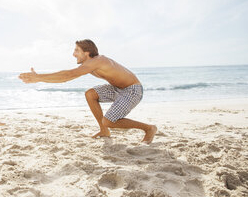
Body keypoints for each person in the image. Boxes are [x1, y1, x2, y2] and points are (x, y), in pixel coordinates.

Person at [19, 39, 157, 144]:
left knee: (109, 121)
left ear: (87, 52)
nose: (73, 54)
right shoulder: (90, 64)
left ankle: (148, 128)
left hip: (132, 90)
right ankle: (104, 130)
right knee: (91, 94)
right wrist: (39, 79)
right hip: (118, 89)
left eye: (76, 50)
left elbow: (68, 75)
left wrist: (39, 77)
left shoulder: (98, 61)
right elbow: (66, 77)